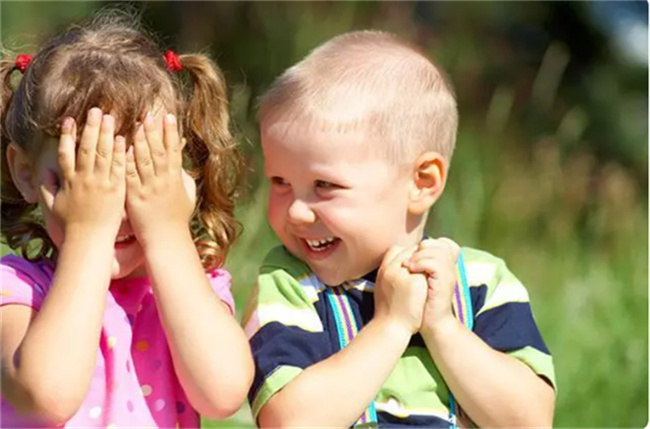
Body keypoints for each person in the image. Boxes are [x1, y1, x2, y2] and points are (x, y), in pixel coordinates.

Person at [243, 30, 556, 428]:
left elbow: (530, 421)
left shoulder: (478, 283)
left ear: (422, 182)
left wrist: (441, 325)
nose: (298, 213)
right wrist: (390, 326)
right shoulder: (290, 284)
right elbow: (288, 422)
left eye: (325, 185)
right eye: (279, 182)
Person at [0, 10, 253, 428]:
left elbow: (224, 393)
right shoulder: (17, 291)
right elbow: (48, 396)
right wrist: (87, 235)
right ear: (24, 173)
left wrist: (169, 234)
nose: (111, 208)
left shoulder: (187, 289)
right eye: (88, 176)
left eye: (138, 175)